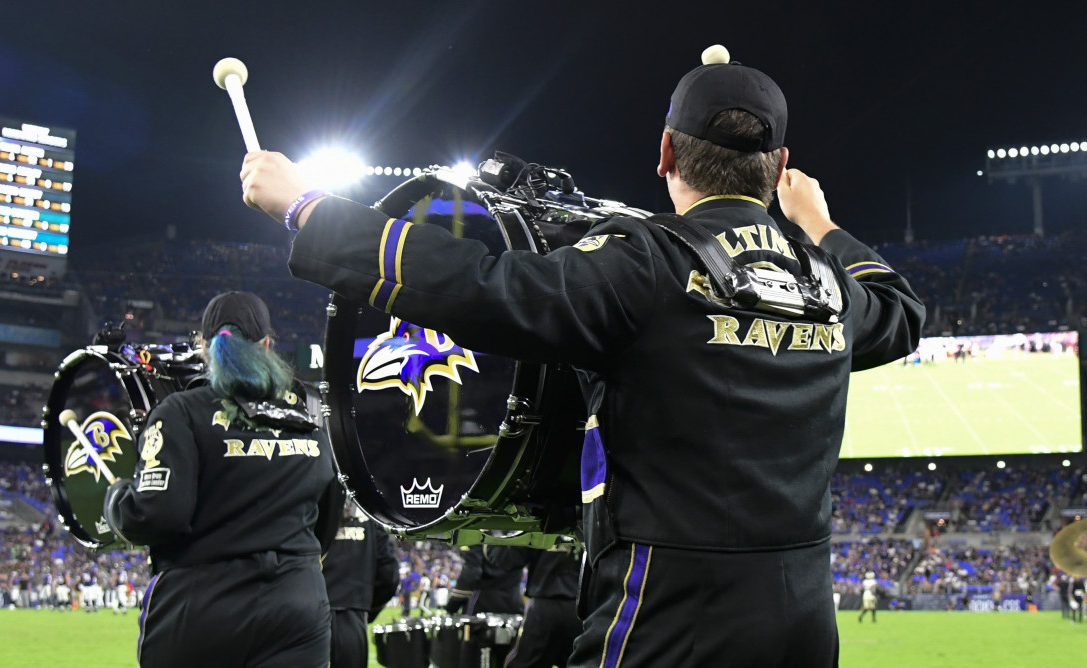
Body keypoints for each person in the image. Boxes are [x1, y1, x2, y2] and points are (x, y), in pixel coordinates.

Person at [240, 46, 923, 666]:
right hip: (804, 621)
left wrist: (308, 207)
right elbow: (898, 310)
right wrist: (817, 221)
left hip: (668, 619)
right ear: (777, 168)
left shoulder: (649, 264)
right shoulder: (824, 282)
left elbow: (477, 284)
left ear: (665, 155)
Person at [102, 291, 340, 667]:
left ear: (202, 345)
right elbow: (326, 523)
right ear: (266, 344)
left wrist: (116, 497)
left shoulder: (180, 411)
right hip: (298, 603)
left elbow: (157, 514)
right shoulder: (312, 415)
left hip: (202, 607)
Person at [322, 500, 400, 668]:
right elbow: (388, 575)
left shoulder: (312, 497)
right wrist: (366, 608)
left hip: (311, 616)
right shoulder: (367, 508)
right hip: (353, 617)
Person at [485, 545, 581, 668]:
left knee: (520, 664)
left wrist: (489, 542)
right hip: (579, 609)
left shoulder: (542, 526)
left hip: (545, 606)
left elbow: (509, 558)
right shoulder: (588, 525)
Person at [446, 545, 524, 616]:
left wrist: (453, 605)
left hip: (482, 603)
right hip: (514, 603)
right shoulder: (519, 534)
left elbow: (471, 573)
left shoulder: (480, 536)